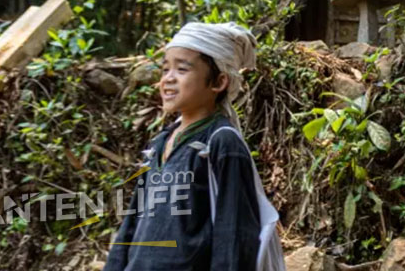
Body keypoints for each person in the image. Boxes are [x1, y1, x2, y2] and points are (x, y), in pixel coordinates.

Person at [105, 22, 281, 271]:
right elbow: (132, 224)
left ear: (218, 82)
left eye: (182, 69)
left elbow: (233, 237)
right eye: (165, 69)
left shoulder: (221, 142)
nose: (168, 79)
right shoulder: (160, 143)